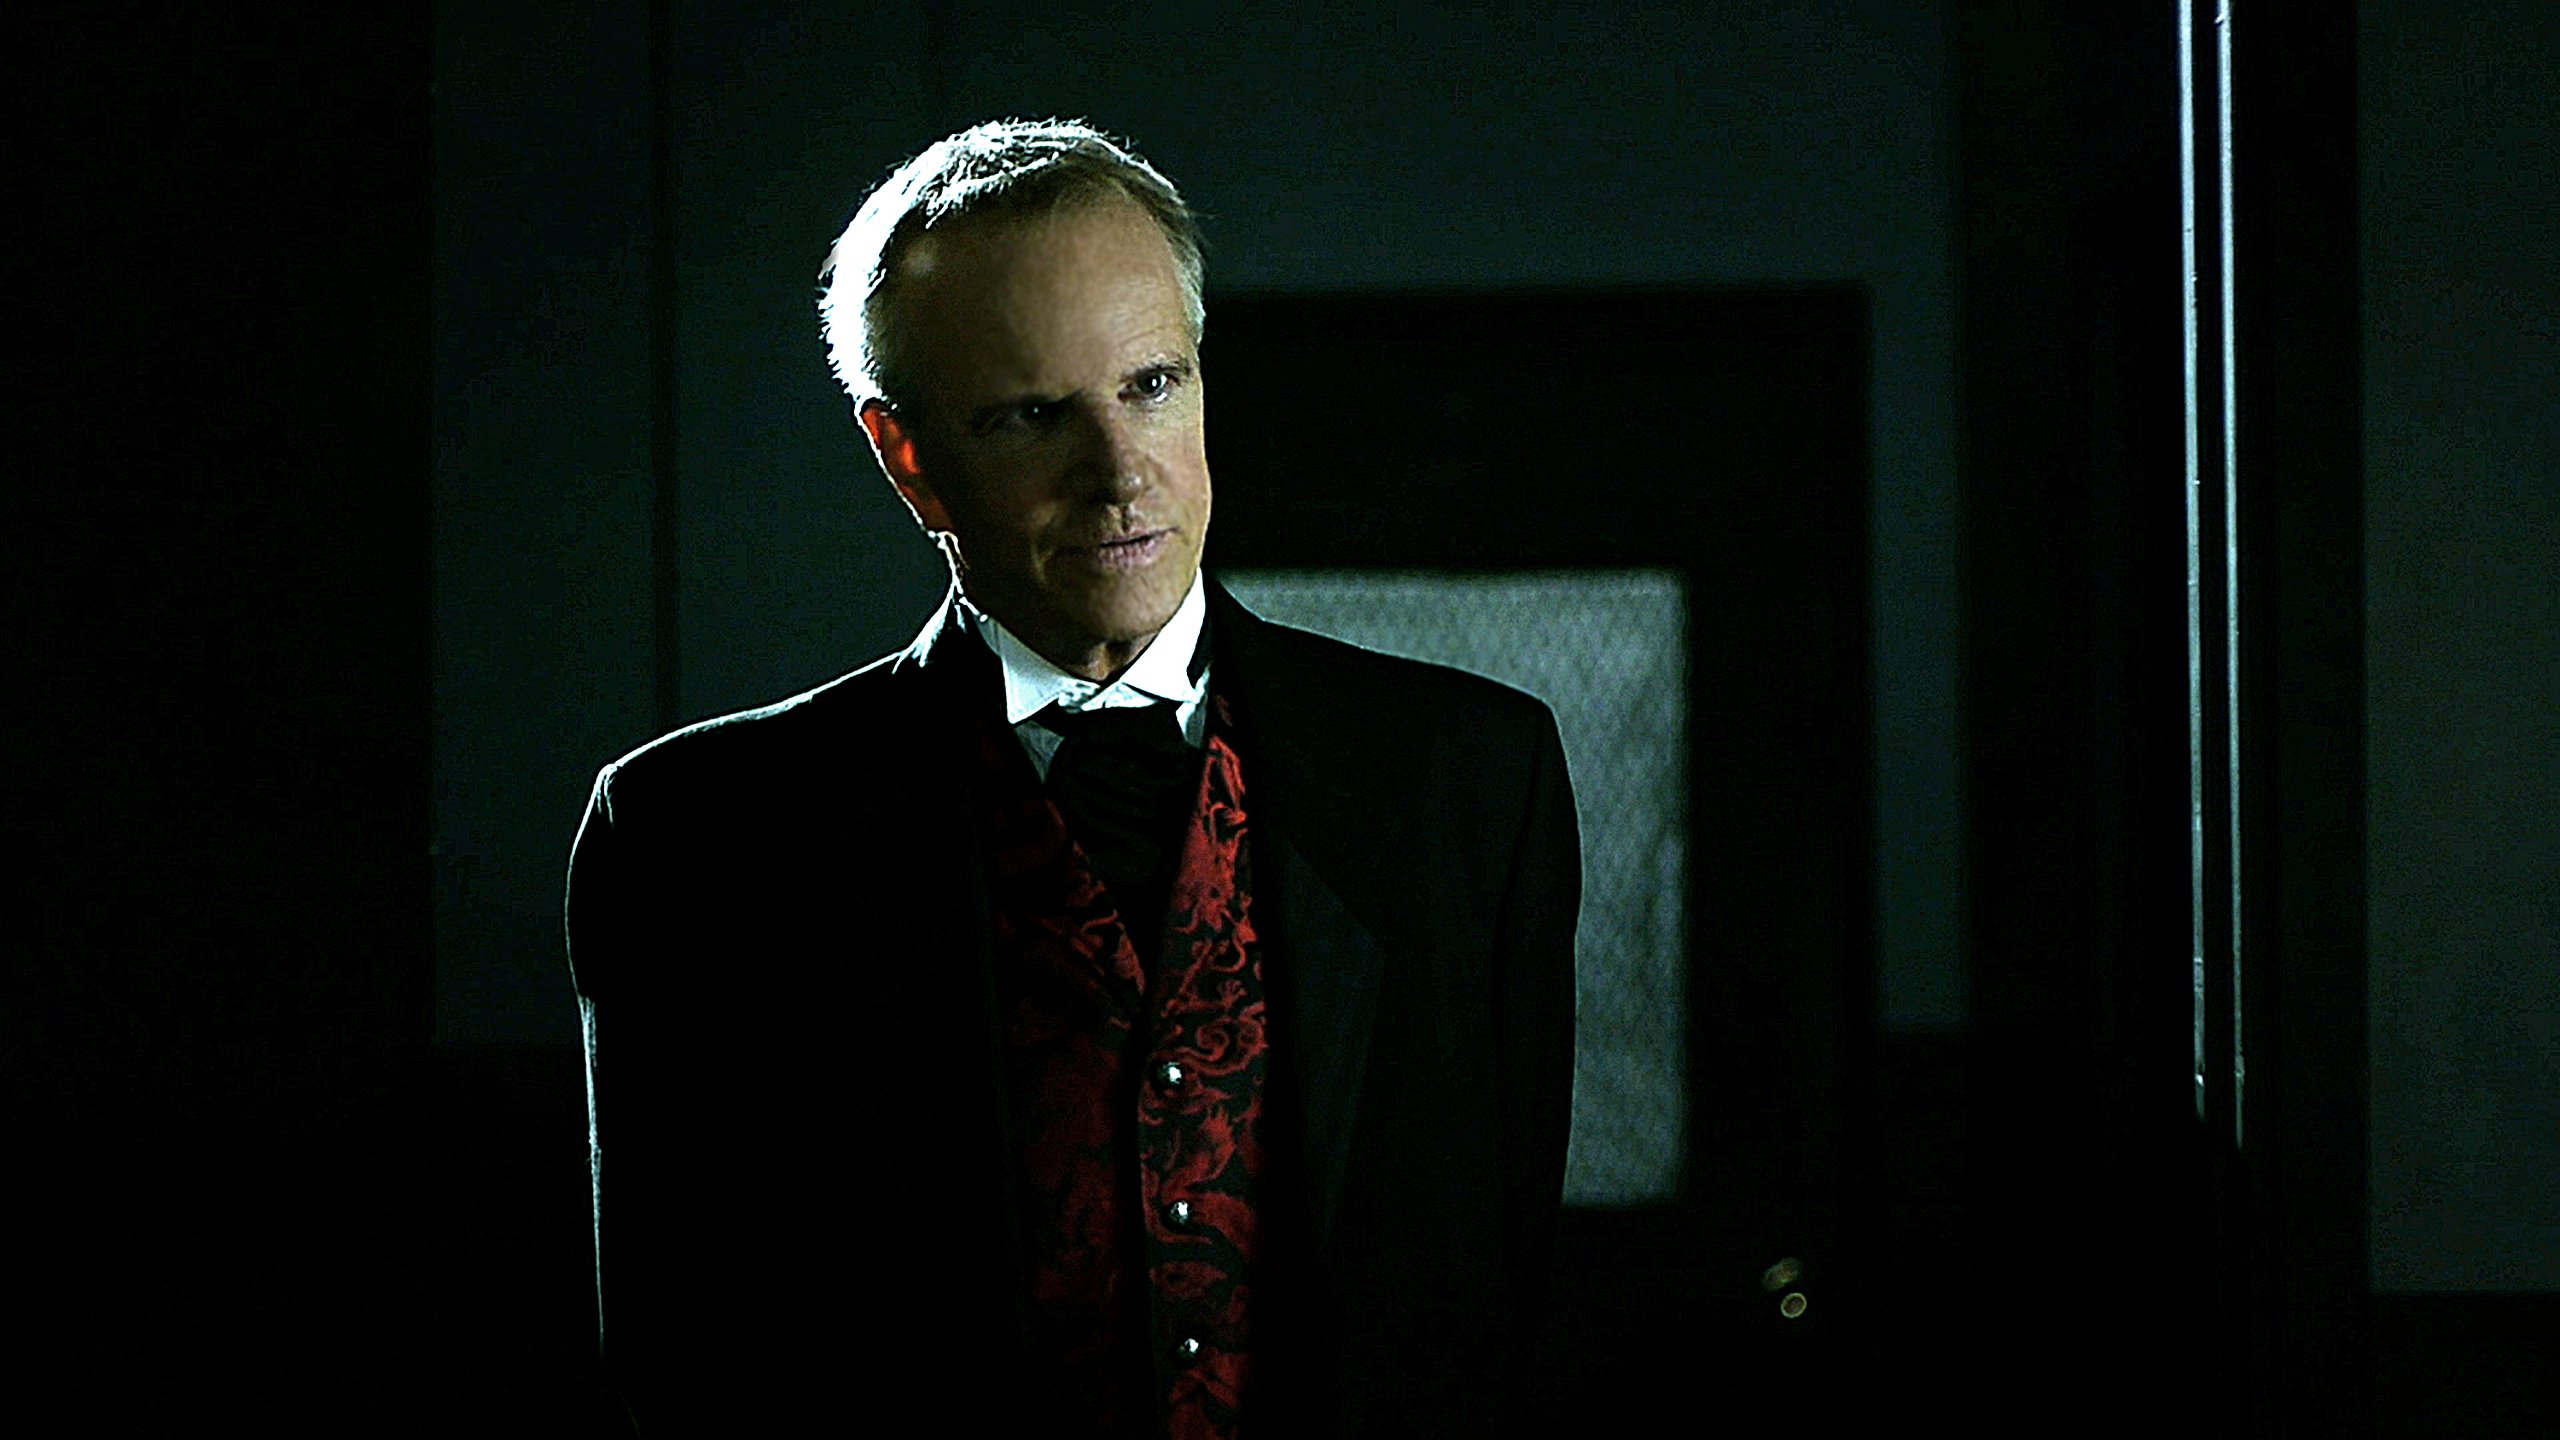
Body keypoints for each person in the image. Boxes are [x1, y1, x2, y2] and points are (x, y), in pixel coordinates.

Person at [564, 118, 1580, 1438]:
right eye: (1035, 416)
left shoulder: (1470, 777)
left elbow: (1500, 1304)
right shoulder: (698, 837)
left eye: (1152, 385)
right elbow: (685, 1358)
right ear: (907, 459)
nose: (1119, 473)